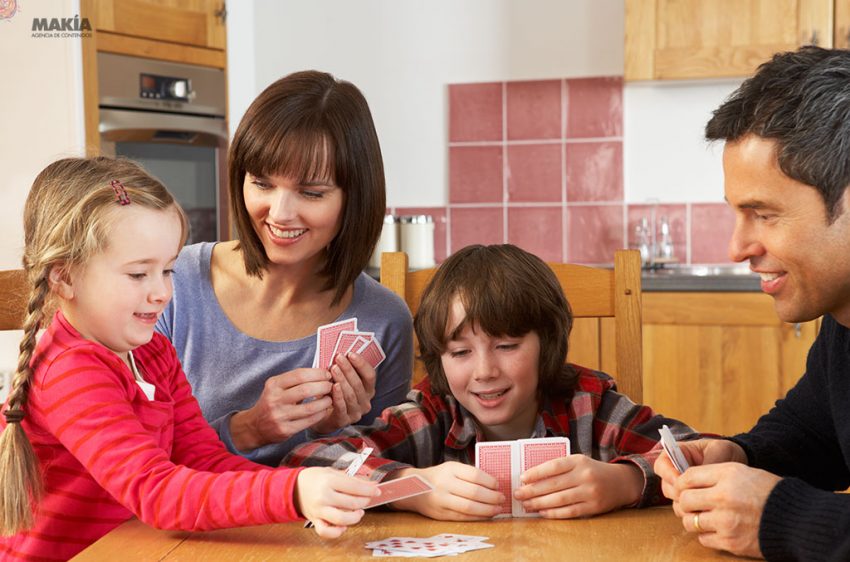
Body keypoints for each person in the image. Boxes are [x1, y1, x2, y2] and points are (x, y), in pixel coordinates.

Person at [0, 157, 378, 560]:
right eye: (138, 274)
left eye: (168, 271)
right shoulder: (70, 371)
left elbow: (204, 459)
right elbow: (156, 492)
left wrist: (306, 486)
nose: (161, 292)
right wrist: (294, 493)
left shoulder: (152, 352)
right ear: (64, 277)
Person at [286, 244, 697, 520]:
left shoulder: (588, 404)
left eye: (506, 345)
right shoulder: (432, 410)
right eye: (460, 353)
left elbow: (697, 455)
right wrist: (413, 488)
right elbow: (307, 459)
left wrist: (625, 482)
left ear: (547, 344)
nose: (484, 371)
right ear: (439, 360)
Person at [155, 70, 413, 466]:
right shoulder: (173, 283)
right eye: (261, 183)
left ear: (355, 197)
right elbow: (133, 457)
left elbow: (384, 475)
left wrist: (334, 435)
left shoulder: (384, 320)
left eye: (311, 192)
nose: (279, 213)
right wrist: (248, 429)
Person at [653, 46, 850, 561]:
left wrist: (782, 518)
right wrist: (738, 454)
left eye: (763, 214)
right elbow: (813, 434)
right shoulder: (843, 324)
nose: (738, 248)